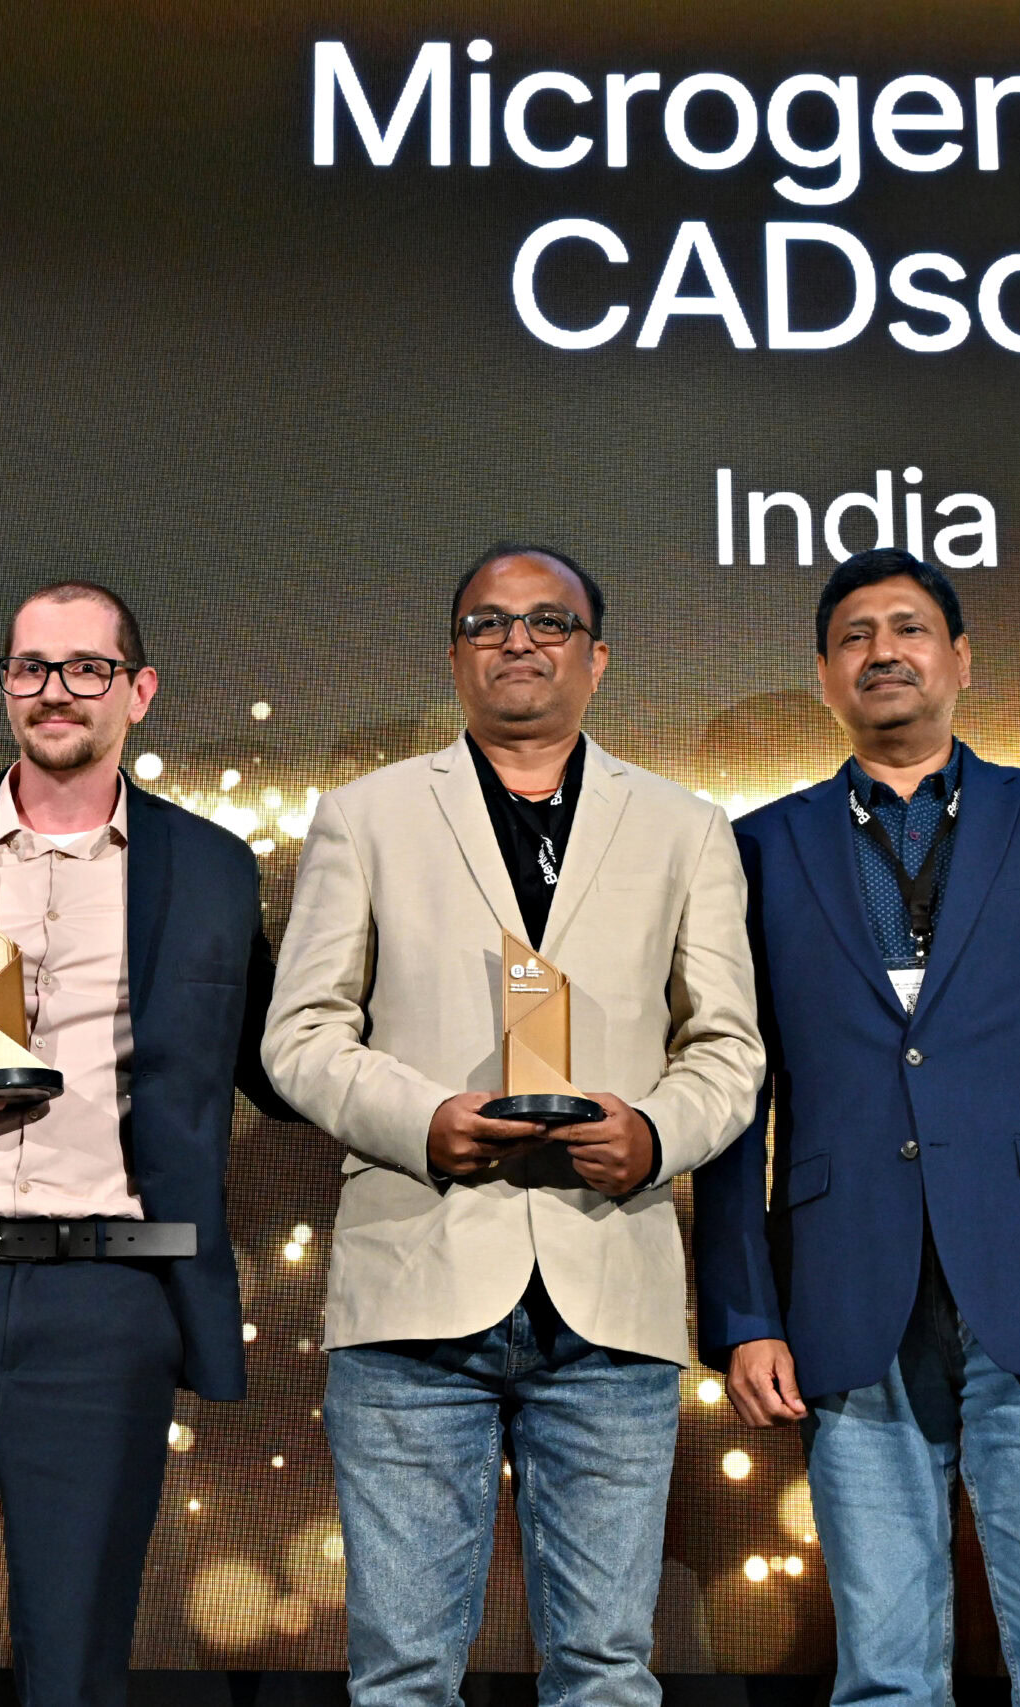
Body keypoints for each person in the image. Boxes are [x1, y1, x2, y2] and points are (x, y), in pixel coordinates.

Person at [264, 543, 764, 1707]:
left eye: (547, 622)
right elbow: (301, 1035)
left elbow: (727, 1048)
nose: (517, 642)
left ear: (597, 658)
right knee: (403, 1675)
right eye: (487, 624)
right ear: (454, 658)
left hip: (609, 1288)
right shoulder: (366, 816)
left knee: (604, 1670)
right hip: (414, 1282)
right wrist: (422, 1120)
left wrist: (653, 1133)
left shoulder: (684, 827)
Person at [695, 549, 1020, 1706]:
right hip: (842, 1290)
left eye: (908, 629)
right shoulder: (757, 848)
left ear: (960, 659)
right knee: (882, 1678)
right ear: (825, 676)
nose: (884, 652)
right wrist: (744, 1314)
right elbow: (730, 1098)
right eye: (854, 636)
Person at [0, 580, 287, 1707]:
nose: (55, 691)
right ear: (7, 686)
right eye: (30, 667)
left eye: (86, 668)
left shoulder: (212, 867)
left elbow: (280, 1060)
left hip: (109, 1299)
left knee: (75, 1668)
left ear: (139, 690)